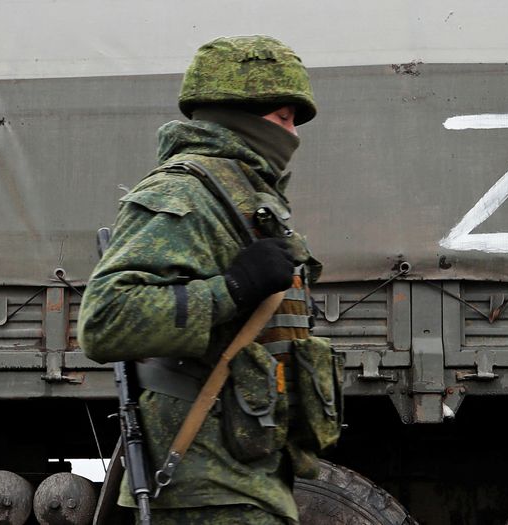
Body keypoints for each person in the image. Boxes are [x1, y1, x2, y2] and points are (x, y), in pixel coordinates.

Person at [78, 35, 343, 524]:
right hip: (205, 484)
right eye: (283, 118)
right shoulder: (184, 193)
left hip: (244, 479)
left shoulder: (247, 199)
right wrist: (233, 289)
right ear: (239, 111)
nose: (295, 135)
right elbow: (106, 319)